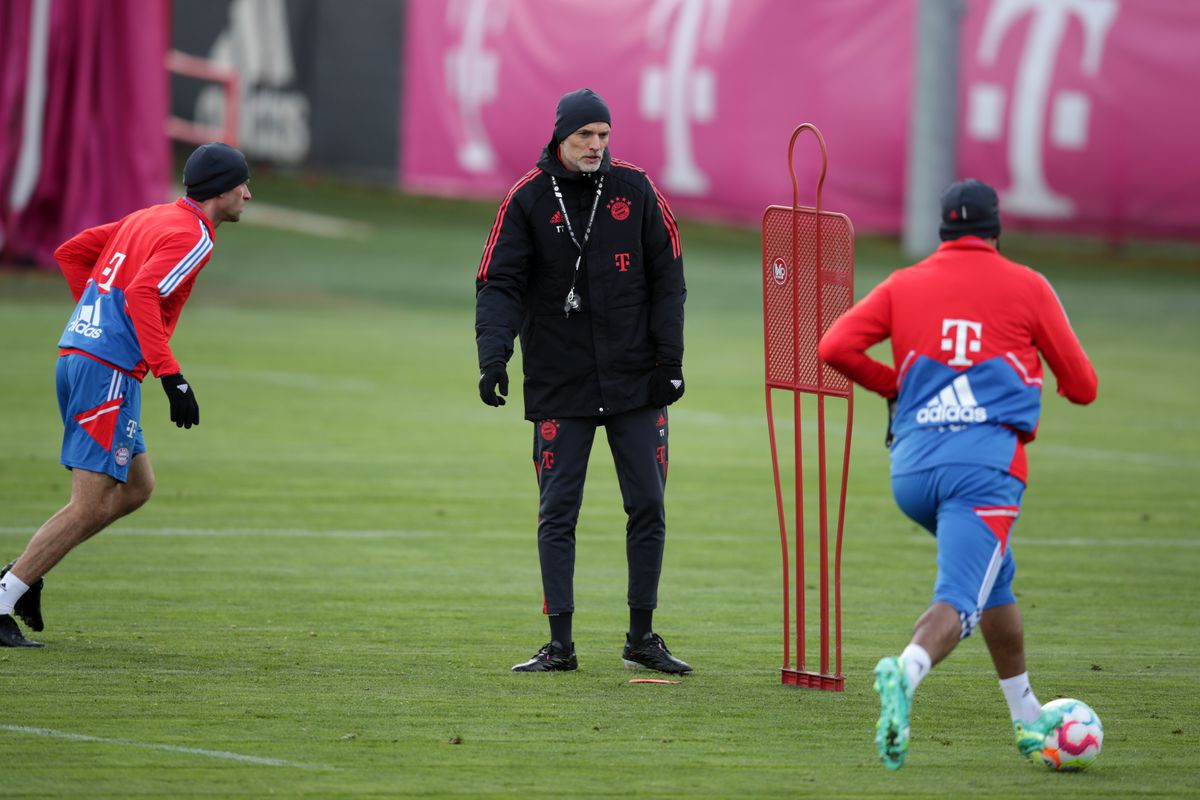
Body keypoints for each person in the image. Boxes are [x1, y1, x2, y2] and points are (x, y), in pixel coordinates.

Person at [818, 179, 1098, 769]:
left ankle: (1026, 719)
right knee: (959, 600)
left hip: (913, 472)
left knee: (996, 584)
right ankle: (906, 670)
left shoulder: (904, 284)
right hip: (984, 473)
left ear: (942, 229)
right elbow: (1083, 387)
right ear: (996, 230)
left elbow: (834, 346)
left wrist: (895, 385)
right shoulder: (1027, 286)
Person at [0, 142, 252, 648]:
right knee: (90, 504)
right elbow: (140, 294)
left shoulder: (150, 216)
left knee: (137, 488)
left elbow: (69, 253)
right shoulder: (194, 236)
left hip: (79, 355)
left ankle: (23, 574)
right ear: (221, 191)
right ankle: (7, 591)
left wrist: (97, 323)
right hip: (106, 371)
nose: (248, 194)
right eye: (243, 184)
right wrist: (171, 376)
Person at [475, 88, 690, 674]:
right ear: (560, 139)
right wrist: (493, 357)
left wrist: (669, 363)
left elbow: (669, 280)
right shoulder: (525, 198)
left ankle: (642, 638)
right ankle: (560, 645)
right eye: (583, 137)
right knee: (557, 510)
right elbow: (498, 283)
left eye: (602, 135)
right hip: (559, 382)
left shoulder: (638, 190)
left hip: (635, 382)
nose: (595, 146)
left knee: (648, 504)